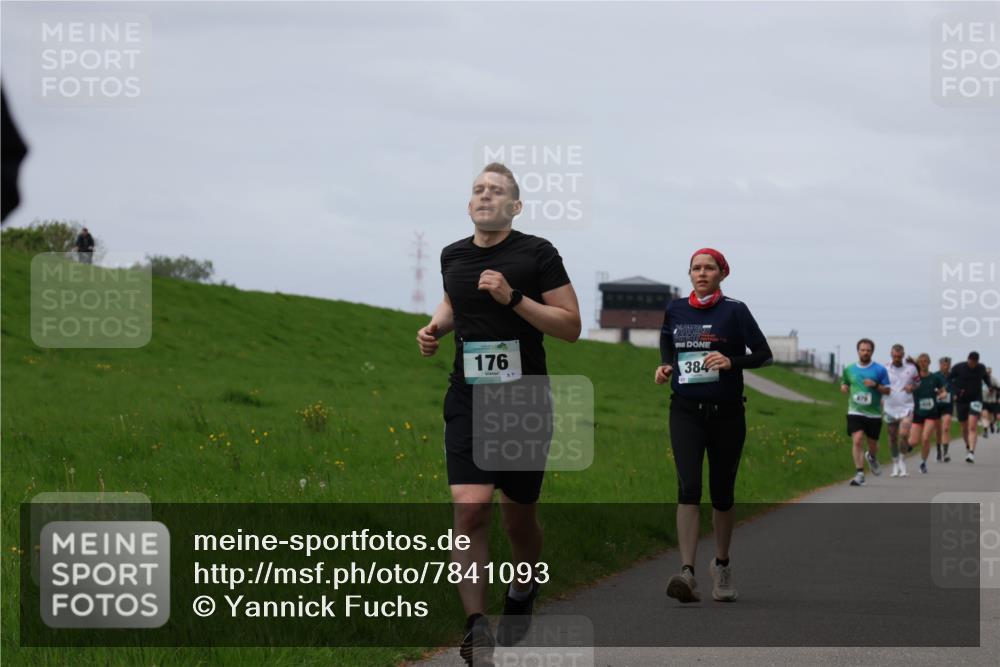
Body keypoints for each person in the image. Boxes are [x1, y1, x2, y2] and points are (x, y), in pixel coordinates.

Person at [416, 163, 581, 665]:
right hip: (467, 397)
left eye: (498, 191)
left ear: (515, 206)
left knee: (518, 516)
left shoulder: (538, 254)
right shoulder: (452, 255)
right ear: (469, 205)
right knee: (470, 509)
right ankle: (474, 626)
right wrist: (435, 328)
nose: (486, 196)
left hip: (522, 400)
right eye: (478, 190)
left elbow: (570, 325)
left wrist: (514, 299)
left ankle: (522, 590)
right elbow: (454, 299)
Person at [654, 248, 772, 604]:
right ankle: (687, 573)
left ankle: (721, 564)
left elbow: (764, 354)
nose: (702, 273)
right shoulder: (676, 308)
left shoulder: (735, 310)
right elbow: (666, 338)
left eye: (709, 268)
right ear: (689, 274)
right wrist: (665, 365)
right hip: (686, 411)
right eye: (696, 268)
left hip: (727, 413)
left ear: (722, 273)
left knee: (722, 494)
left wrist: (730, 360)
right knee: (688, 486)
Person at [840, 339, 891, 487]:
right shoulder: (849, 369)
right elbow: (845, 382)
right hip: (855, 411)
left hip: (874, 413)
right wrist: (843, 387)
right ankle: (860, 474)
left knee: (872, 444)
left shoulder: (880, 370)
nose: (865, 352)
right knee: (857, 439)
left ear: (872, 352)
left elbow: (887, 390)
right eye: (862, 350)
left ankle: (872, 456)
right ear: (858, 351)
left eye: (868, 350)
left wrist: (875, 385)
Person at [948, 351, 993, 463]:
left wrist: (990, 386)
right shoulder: (958, 367)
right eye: (971, 362)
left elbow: (986, 378)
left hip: (976, 399)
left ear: (977, 362)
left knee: (972, 425)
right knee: (964, 427)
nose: (972, 364)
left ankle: (971, 452)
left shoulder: (981, 368)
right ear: (968, 359)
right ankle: (968, 446)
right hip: (961, 400)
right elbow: (948, 380)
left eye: (975, 362)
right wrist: (956, 391)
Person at [907, 353, 947, 474]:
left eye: (926, 361)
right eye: (921, 361)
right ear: (918, 363)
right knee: (913, 441)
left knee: (925, 438)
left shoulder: (935, 378)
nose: (923, 363)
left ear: (929, 362)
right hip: (917, 412)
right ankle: (905, 449)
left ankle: (923, 463)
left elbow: (943, 392)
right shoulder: (914, 378)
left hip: (931, 412)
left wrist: (941, 395)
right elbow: (906, 389)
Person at [883, 344, 919, 477]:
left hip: (906, 407)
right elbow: (880, 385)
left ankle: (903, 460)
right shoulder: (885, 368)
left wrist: (912, 387)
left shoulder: (911, 368)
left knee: (904, 434)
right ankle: (895, 462)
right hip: (890, 407)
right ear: (891, 355)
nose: (897, 358)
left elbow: (917, 383)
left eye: (899, 356)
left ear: (903, 355)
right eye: (895, 356)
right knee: (892, 436)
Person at [932, 357, 955, 462]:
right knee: (938, 430)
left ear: (950, 365)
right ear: (940, 365)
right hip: (937, 404)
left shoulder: (953, 376)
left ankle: (946, 452)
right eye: (943, 365)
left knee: (945, 427)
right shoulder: (935, 376)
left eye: (947, 365)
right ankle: (938, 451)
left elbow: (957, 388)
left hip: (948, 405)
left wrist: (956, 395)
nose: (945, 367)